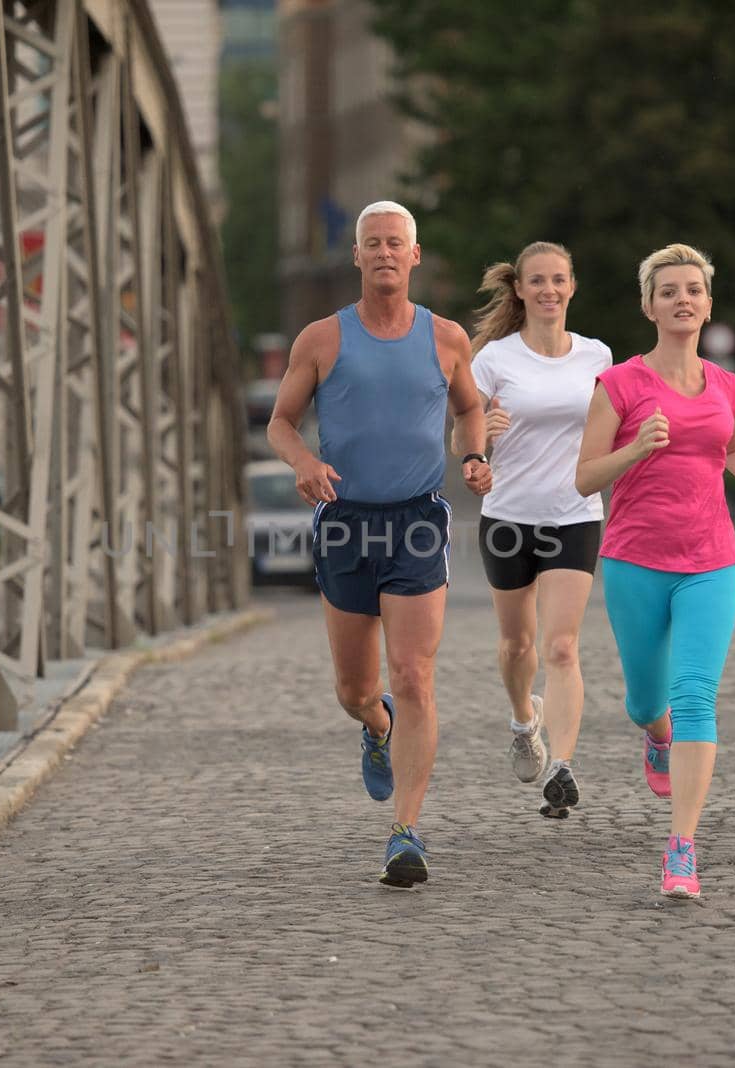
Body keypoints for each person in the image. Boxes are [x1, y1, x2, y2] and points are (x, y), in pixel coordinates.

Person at [267, 200, 491, 888]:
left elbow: (469, 406)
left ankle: (406, 831)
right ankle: (375, 726)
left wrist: (475, 453)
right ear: (357, 257)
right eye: (374, 244)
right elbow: (280, 421)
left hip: (418, 521)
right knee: (356, 689)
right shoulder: (321, 339)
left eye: (397, 243)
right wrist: (303, 461)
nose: (386, 253)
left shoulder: (447, 338)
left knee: (414, 674)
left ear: (414, 256)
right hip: (344, 520)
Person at [574, 243, 735, 898]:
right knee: (646, 701)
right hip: (635, 559)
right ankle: (655, 735)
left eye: (693, 289)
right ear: (649, 305)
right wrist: (636, 447)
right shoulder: (621, 385)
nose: (683, 299)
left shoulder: (728, 385)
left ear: (707, 303)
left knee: (696, 694)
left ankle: (682, 848)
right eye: (669, 290)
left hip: (710, 561)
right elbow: (583, 475)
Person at [461, 242, 612, 818]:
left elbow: (612, 433)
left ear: (572, 286)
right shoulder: (495, 359)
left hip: (574, 513)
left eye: (559, 280)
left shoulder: (598, 357)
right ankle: (526, 720)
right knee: (517, 644)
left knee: (562, 645)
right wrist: (480, 443)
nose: (549, 290)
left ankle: (564, 766)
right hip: (507, 516)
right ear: (520, 290)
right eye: (537, 281)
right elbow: (463, 440)